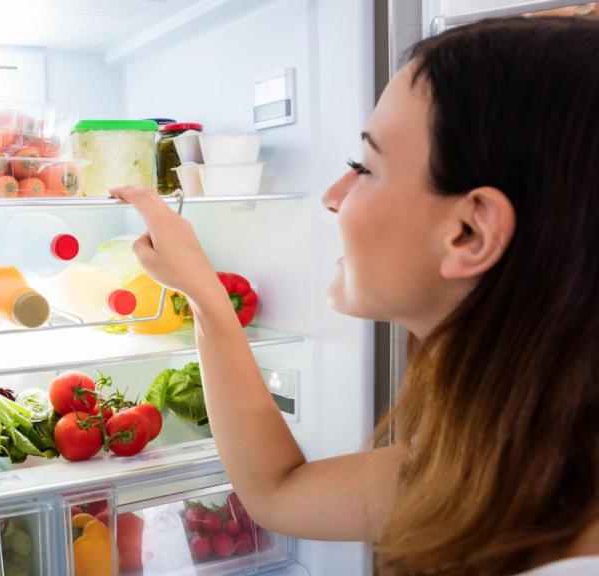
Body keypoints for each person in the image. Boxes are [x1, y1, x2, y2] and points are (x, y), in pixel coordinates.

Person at [112, 16, 599, 576]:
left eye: (363, 167)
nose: (332, 196)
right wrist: (204, 294)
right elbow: (278, 492)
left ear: (470, 232)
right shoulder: (519, 459)